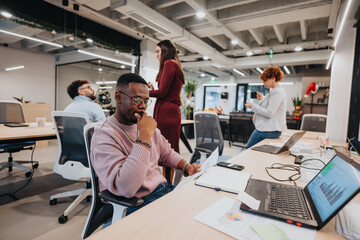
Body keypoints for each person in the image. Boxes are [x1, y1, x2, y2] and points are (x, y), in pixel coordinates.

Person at [91, 73, 200, 219]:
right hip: (137, 202)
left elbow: (167, 153)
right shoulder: (104, 135)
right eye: (136, 100)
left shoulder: (144, 125)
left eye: (146, 100)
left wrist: (187, 166)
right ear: (118, 97)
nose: (142, 106)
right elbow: (126, 188)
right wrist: (144, 137)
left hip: (163, 190)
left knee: (200, 210)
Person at [147, 40, 185, 182]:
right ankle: (167, 183)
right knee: (166, 148)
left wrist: (144, 92)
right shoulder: (173, 65)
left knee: (166, 150)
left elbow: (162, 92)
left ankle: (168, 185)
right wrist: (151, 90)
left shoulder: (169, 64)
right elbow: (165, 91)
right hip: (168, 111)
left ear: (165, 50)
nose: (156, 55)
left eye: (158, 51)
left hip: (166, 113)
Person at [245, 66, 287, 148]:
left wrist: (253, 106)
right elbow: (272, 105)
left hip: (267, 130)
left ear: (273, 78)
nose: (263, 83)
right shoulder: (275, 91)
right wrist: (262, 98)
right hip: (270, 129)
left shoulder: (277, 92)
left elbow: (269, 113)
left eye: (265, 80)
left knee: (248, 149)